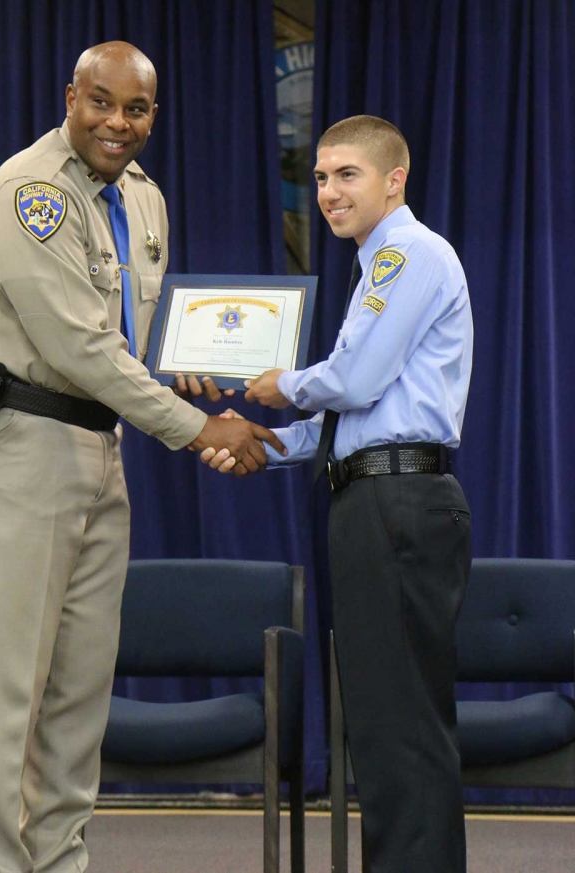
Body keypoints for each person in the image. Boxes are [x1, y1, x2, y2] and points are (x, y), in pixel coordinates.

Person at [0, 41, 285, 873]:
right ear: (70, 97)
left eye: (136, 109)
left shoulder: (144, 200)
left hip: (100, 446)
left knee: (79, 691)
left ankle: (57, 860)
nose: (117, 123)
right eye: (101, 102)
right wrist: (201, 429)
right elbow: (79, 346)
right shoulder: (31, 194)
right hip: (13, 444)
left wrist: (188, 360)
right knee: (9, 685)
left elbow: (131, 336)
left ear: (153, 116)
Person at [203, 115, 473, 872]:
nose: (327, 192)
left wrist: (275, 384)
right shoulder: (379, 263)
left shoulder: (407, 254)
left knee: (402, 729)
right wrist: (257, 439)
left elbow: (352, 381)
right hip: (375, 500)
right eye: (319, 177)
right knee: (385, 727)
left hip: (399, 504)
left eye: (347, 174)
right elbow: (352, 419)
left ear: (396, 180)